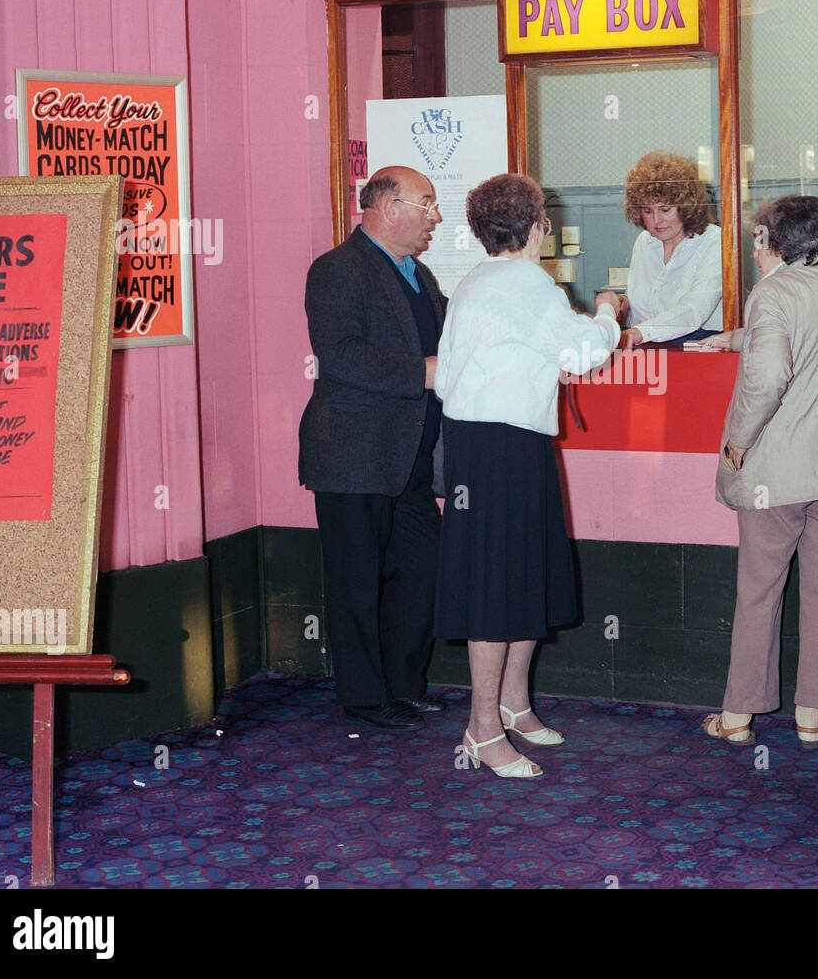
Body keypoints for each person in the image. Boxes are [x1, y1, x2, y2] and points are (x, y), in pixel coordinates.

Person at [434, 173, 621, 779]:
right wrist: (607, 312)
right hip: (500, 447)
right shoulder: (528, 282)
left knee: (523, 575)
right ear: (536, 226)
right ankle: (482, 727)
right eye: (544, 218)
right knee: (497, 584)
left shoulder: (477, 281)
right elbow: (583, 354)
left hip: (491, 445)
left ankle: (513, 704)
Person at [701, 196, 818, 749]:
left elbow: (771, 374)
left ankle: (738, 716)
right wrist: (737, 337)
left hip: (775, 473)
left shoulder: (772, 291)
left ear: (772, 240)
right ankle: (813, 716)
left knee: (759, 591)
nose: (755, 248)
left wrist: (736, 445)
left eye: (758, 237)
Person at [299, 165, 450, 732]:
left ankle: (403, 687)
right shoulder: (337, 269)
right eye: (427, 204)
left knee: (424, 572)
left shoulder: (421, 274)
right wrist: (423, 373)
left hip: (408, 460)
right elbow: (339, 355)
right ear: (390, 207)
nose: (435, 217)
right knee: (356, 585)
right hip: (352, 457)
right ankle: (365, 698)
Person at [619, 150, 723, 346]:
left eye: (665, 210)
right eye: (648, 211)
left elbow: (694, 310)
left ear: (686, 206)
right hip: (648, 348)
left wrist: (638, 334)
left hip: (701, 350)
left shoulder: (714, 241)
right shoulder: (644, 242)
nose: (657, 220)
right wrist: (620, 304)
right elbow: (639, 306)